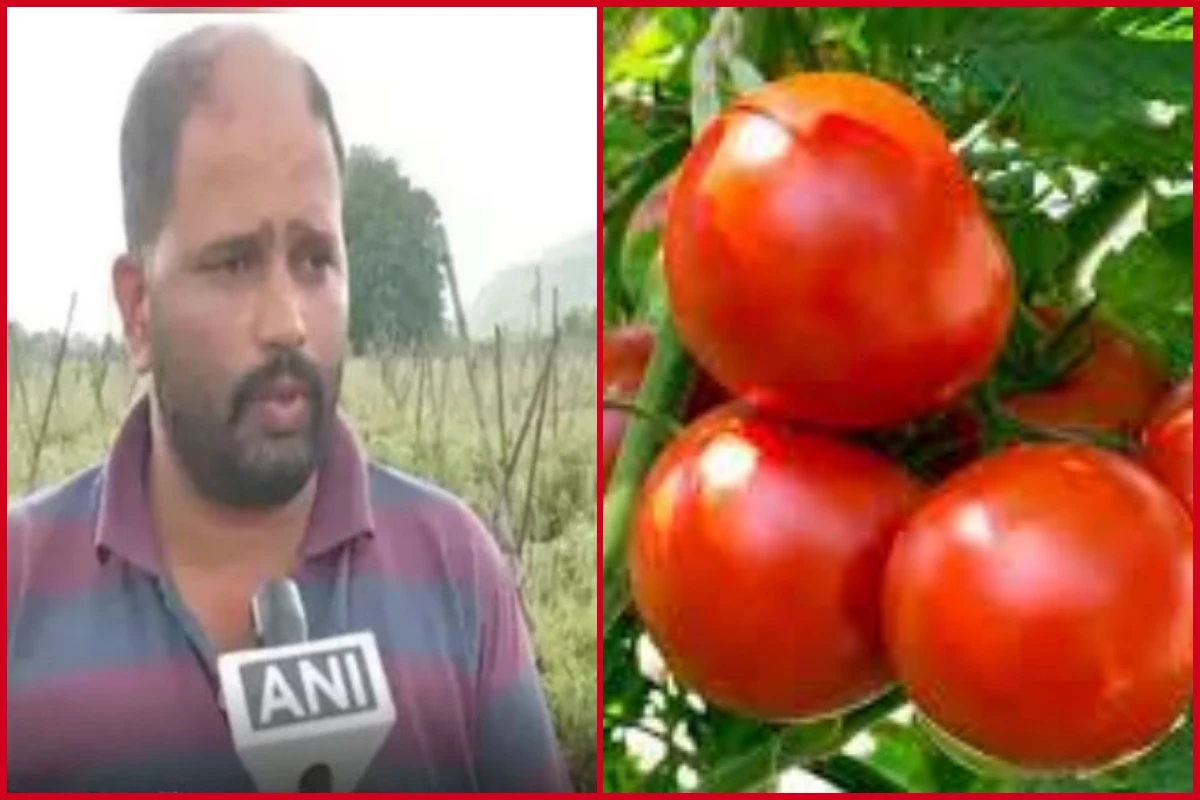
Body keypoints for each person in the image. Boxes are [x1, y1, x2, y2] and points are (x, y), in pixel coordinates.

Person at [7, 24, 569, 792]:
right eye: (235, 262)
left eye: (314, 260)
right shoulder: (17, 587)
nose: (288, 322)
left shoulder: (455, 569)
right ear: (139, 311)